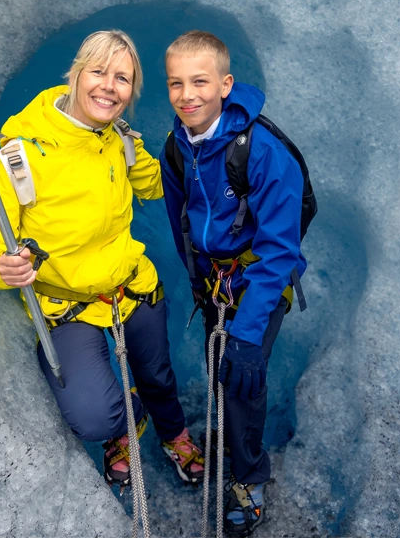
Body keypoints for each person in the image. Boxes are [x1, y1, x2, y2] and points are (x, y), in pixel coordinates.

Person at [0, 30, 203, 489]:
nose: (109, 86)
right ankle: (124, 425)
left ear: (132, 92)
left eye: (123, 79)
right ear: (75, 74)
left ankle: (174, 433)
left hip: (131, 285)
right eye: (98, 72)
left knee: (157, 375)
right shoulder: (20, 154)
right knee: (94, 416)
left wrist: (191, 143)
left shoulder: (120, 140)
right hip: (66, 303)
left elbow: (157, 186)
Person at [159, 30, 306, 536]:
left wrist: (246, 330)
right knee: (221, 370)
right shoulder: (177, 147)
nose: (187, 95)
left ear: (225, 84)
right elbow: (181, 223)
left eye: (200, 81)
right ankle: (232, 435)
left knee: (242, 377)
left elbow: (280, 250)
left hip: (261, 277)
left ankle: (249, 477)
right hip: (214, 281)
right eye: (176, 83)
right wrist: (199, 281)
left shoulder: (261, 152)